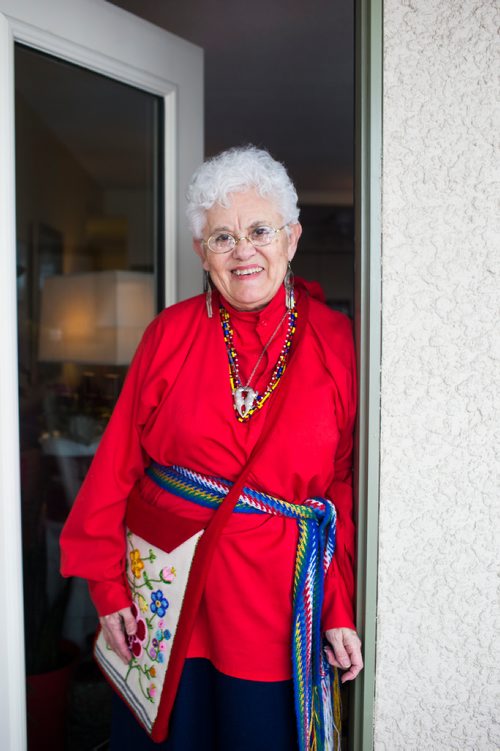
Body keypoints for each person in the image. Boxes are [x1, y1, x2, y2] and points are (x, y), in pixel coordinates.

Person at [60, 145, 363, 750]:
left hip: (276, 603)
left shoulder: (337, 341)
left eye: (259, 230)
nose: (243, 250)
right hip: (171, 593)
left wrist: (335, 605)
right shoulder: (169, 332)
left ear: (292, 238)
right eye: (221, 237)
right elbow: (117, 461)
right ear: (202, 253)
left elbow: (339, 490)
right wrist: (107, 584)